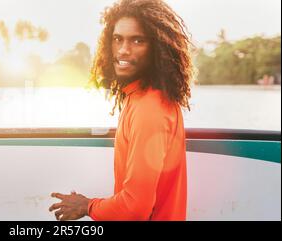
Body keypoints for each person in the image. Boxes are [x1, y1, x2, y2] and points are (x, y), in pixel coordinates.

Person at [49, 0, 193, 221]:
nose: (124, 50)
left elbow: (135, 209)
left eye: (138, 40)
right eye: (118, 39)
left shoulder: (149, 108)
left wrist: (88, 206)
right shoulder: (141, 97)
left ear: (157, 47)